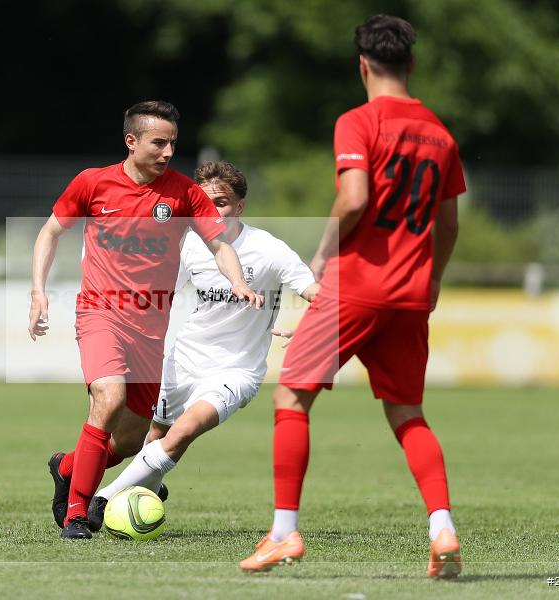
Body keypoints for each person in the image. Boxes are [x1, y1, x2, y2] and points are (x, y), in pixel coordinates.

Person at [238, 15, 466, 578]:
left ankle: (284, 533)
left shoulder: (357, 122)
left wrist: (320, 255)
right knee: (409, 414)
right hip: (410, 294)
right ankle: (442, 527)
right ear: (411, 64)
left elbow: (354, 197)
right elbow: (449, 223)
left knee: (291, 397)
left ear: (362, 64)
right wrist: (432, 280)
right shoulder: (441, 134)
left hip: (356, 286)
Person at [29, 101, 263, 540]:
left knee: (132, 440)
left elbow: (220, 244)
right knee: (109, 397)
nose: (169, 151)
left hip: (150, 329)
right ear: (131, 141)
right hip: (100, 314)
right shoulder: (92, 183)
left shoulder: (184, 193)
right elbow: (50, 231)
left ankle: (66, 467)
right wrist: (39, 291)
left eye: (173, 142)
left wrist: (238, 282)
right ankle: (77, 513)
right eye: (159, 142)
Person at [85, 160, 319, 530]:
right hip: (183, 360)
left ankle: (102, 500)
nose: (213, 210)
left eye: (222, 202)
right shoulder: (189, 245)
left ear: (240, 206)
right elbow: (153, 292)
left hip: (236, 370)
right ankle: (149, 487)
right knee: (156, 437)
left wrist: (309, 327)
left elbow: (318, 295)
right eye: (206, 202)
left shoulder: (269, 250)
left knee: (183, 432)